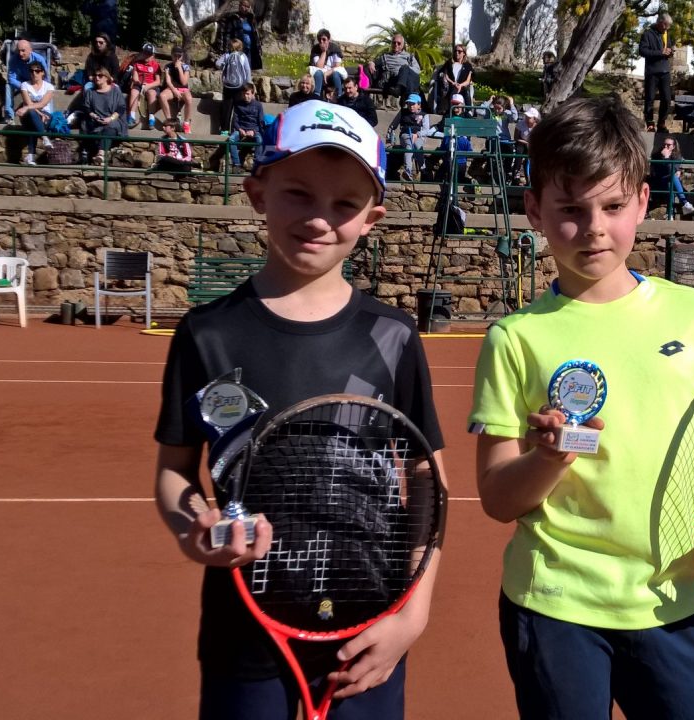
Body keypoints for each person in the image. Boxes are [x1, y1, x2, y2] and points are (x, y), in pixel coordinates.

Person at [468, 96, 694, 720]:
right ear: (534, 211)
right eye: (570, 210)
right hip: (554, 605)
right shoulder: (515, 337)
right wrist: (548, 458)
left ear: (644, 203)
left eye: (612, 206)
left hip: (675, 603)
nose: (594, 227)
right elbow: (496, 496)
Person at [154, 98, 444, 720]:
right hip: (245, 631)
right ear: (258, 192)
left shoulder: (392, 336)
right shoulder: (207, 334)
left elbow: (426, 477)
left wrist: (413, 614)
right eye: (297, 194)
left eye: (344, 204)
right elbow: (175, 471)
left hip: (371, 625)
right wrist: (193, 529)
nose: (319, 218)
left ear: (373, 217)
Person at [77, 66, 127, 164]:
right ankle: (101, 156)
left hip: (113, 120)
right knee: (96, 129)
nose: (97, 78)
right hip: (95, 121)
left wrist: (111, 118)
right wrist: (94, 116)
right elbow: (86, 108)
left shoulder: (115, 91)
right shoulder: (90, 92)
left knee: (110, 127)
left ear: (106, 77)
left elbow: (121, 107)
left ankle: (100, 154)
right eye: (95, 75)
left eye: (100, 75)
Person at [638, 13, 675, 132]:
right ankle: (649, 123)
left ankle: (661, 123)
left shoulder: (667, 34)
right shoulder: (648, 34)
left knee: (667, 99)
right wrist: (660, 52)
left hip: (665, 71)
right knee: (650, 98)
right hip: (652, 72)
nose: (666, 28)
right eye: (665, 25)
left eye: (668, 26)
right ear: (660, 22)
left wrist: (670, 52)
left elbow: (667, 48)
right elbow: (642, 51)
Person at [16, 61, 55, 166]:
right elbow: (29, 102)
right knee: (32, 114)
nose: (34, 73)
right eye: (31, 71)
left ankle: (31, 156)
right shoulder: (25, 85)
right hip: (30, 115)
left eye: (37, 71)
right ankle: (45, 138)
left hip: (46, 115)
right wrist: (36, 112)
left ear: (42, 72)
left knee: (32, 124)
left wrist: (27, 108)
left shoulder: (49, 87)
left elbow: (43, 104)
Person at [648, 135, 694, 217]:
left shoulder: (677, 157)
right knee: (673, 177)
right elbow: (656, 172)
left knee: (671, 181)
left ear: (673, 147)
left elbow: (671, 171)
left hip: (669, 182)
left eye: (668, 145)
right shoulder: (657, 156)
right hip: (659, 181)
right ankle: (685, 203)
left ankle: (670, 213)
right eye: (664, 144)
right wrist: (666, 158)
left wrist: (668, 160)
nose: (665, 146)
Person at [386, 93, 429, 181]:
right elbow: (393, 125)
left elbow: (426, 130)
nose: (410, 106)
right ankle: (408, 171)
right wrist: (389, 136)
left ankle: (423, 168)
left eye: (413, 104)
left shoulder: (424, 115)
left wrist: (417, 135)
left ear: (419, 104)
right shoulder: (403, 112)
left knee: (417, 145)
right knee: (409, 145)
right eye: (409, 104)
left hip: (419, 136)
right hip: (405, 135)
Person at [368, 34, 422, 104]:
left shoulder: (409, 57)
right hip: (392, 80)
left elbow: (417, 70)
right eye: (394, 42)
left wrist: (405, 71)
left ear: (402, 45)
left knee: (404, 68)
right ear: (391, 44)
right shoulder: (385, 56)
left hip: (406, 80)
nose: (396, 45)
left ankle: (400, 89)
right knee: (403, 71)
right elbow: (374, 62)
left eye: (399, 43)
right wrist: (371, 63)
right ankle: (405, 97)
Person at [5, 40, 49, 123]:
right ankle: (9, 117)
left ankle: (48, 113)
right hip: (21, 82)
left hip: (35, 82)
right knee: (8, 85)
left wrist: (37, 86)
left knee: (49, 89)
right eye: (19, 51)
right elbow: (11, 78)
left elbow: (46, 77)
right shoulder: (13, 59)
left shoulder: (39, 59)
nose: (20, 54)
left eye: (23, 51)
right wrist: (24, 86)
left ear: (30, 50)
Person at [215, 0, 263, 71]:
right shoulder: (233, 18)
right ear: (239, 6)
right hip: (238, 48)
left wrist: (259, 47)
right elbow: (227, 34)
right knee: (238, 68)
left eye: (247, 6)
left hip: (250, 48)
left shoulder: (251, 18)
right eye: (243, 6)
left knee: (248, 68)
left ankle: (247, 80)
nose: (245, 8)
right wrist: (226, 48)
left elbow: (256, 34)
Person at [217, 39, 252, 133]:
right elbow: (247, 71)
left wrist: (224, 66)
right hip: (240, 86)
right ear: (240, 47)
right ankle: (237, 129)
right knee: (239, 108)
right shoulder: (243, 56)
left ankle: (224, 130)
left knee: (226, 108)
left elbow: (217, 63)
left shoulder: (227, 55)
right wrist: (249, 84)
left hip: (228, 87)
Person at [227, 83, 264, 172]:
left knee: (260, 141)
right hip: (241, 129)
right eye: (243, 94)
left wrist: (254, 131)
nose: (245, 96)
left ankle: (257, 165)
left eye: (247, 94)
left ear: (252, 94)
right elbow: (235, 121)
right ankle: (236, 165)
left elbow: (261, 122)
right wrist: (240, 129)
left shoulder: (258, 105)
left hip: (254, 130)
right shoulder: (238, 104)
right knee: (231, 140)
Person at [127, 43, 163, 128]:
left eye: (149, 54)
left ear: (153, 55)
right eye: (145, 53)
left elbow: (158, 81)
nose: (147, 56)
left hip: (151, 85)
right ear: (142, 53)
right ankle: (131, 116)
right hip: (139, 84)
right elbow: (135, 77)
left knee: (151, 94)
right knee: (134, 92)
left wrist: (148, 86)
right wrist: (139, 82)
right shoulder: (137, 63)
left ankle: (151, 118)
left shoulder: (156, 65)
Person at [161, 46, 194, 132]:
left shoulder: (186, 67)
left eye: (179, 56)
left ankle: (186, 123)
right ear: (171, 55)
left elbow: (184, 83)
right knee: (162, 96)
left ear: (182, 57)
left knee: (189, 99)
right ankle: (169, 121)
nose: (177, 58)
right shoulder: (168, 66)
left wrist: (179, 68)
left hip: (183, 89)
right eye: (175, 56)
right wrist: (174, 90)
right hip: (172, 88)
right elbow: (168, 81)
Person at [436, 44, 474, 113]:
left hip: (462, 87)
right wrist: (453, 83)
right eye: (455, 51)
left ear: (464, 53)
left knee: (467, 93)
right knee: (452, 92)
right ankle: (450, 113)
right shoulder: (449, 63)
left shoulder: (468, 65)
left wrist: (460, 85)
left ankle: (469, 112)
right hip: (451, 85)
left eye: (459, 51)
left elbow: (468, 81)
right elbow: (445, 75)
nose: (457, 53)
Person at [309, 29, 346, 99]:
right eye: (319, 40)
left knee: (335, 74)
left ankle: (339, 97)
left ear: (328, 40)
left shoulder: (335, 48)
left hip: (333, 74)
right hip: (321, 75)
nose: (321, 42)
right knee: (318, 73)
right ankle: (317, 98)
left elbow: (337, 66)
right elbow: (319, 66)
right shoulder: (315, 49)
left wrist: (327, 73)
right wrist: (324, 52)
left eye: (324, 39)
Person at [512, 107, 540, 185]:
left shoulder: (538, 126)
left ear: (535, 119)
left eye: (529, 118)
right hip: (522, 142)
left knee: (531, 160)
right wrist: (526, 143)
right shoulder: (521, 123)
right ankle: (515, 177)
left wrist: (531, 144)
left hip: (533, 144)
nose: (527, 119)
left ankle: (530, 179)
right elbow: (516, 138)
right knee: (519, 152)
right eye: (526, 117)